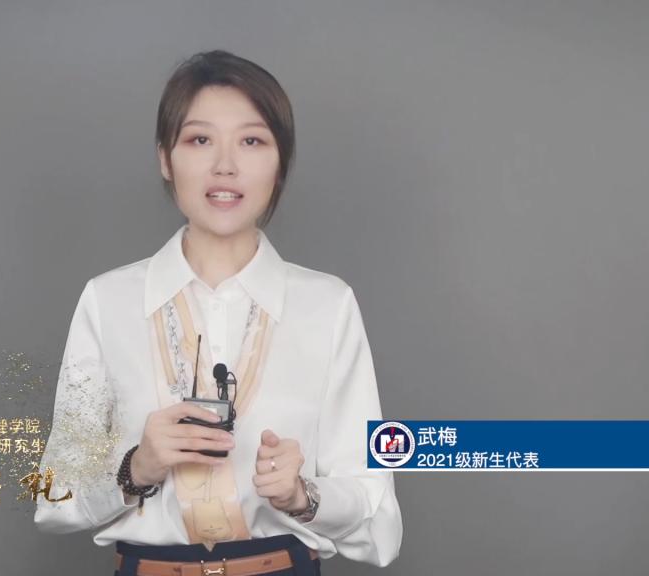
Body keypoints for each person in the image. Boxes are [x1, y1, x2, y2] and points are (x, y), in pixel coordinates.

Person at [34, 50, 402, 575]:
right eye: (199, 140)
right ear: (166, 158)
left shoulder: (328, 305)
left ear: (280, 162)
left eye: (252, 141)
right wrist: (138, 466)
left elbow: (378, 513)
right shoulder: (107, 300)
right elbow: (53, 498)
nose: (225, 165)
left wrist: (303, 496)